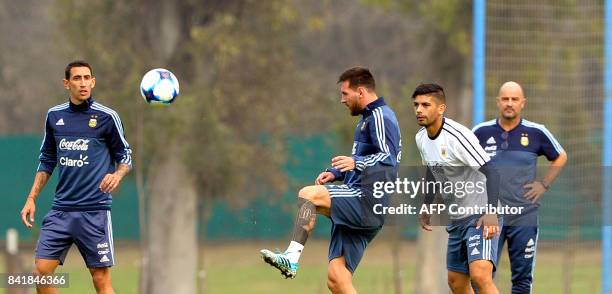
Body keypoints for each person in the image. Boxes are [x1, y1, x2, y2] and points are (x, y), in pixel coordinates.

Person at [260, 67, 401, 293]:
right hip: (362, 201)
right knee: (337, 279)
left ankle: (291, 257)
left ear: (361, 91)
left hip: (367, 200)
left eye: (345, 94)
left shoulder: (381, 117)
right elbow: (365, 160)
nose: (341, 100)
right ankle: (292, 258)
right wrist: (336, 172)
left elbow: (388, 159)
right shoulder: (367, 119)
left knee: (308, 195)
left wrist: (356, 163)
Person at [20, 60, 132, 294]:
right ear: (66, 83)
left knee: (100, 279)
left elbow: (125, 156)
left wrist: (118, 174)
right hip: (61, 210)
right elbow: (47, 159)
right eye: (77, 78)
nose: (83, 83)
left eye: (86, 78)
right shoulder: (54, 116)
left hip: (94, 211)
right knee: (40, 273)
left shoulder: (107, 117)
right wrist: (31, 198)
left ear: (93, 82)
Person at [472, 81, 567, 293]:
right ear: (498, 102)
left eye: (514, 99)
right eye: (505, 99)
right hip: (489, 217)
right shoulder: (480, 132)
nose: (509, 103)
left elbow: (561, 156)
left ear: (523, 103)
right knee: (480, 276)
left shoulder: (537, 132)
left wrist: (544, 184)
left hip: (523, 216)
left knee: (522, 281)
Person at [413, 83, 501, 294]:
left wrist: (491, 212)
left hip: (480, 213)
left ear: (441, 108)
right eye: (416, 105)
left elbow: (492, 172)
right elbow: (433, 171)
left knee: (480, 275)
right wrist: (427, 205)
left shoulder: (457, 136)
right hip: (457, 217)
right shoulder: (421, 139)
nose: (419, 110)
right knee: (456, 282)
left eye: (426, 105)